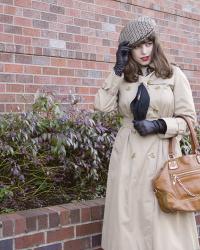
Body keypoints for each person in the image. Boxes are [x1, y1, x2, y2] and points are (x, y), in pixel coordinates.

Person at [94, 16, 200, 250]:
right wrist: (117, 70)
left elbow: (189, 120)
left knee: (163, 222)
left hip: (163, 156)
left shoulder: (173, 74)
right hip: (128, 157)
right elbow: (102, 106)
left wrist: (161, 125)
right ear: (127, 50)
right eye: (137, 46)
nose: (144, 51)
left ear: (155, 43)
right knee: (129, 220)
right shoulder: (122, 78)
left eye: (148, 44)